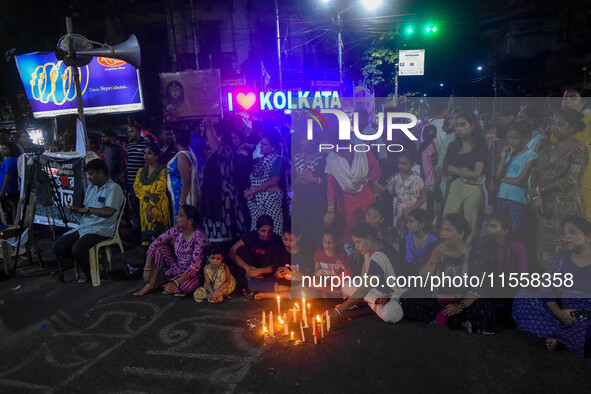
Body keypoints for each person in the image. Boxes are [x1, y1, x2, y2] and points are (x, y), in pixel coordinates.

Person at [401, 214, 496, 334]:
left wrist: (460, 306)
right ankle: (456, 322)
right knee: (408, 298)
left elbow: (476, 288)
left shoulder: (475, 253)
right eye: (442, 229)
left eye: (448, 230)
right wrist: (434, 257)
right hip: (436, 299)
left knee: (484, 310)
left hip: (463, 301)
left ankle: (445, 319)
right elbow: (422, 279)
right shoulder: (433, 247)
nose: (442, 234)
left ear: (461, 234)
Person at [512, 216, 591, 356]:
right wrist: (559, 312)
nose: (567, 237)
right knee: (523, 297)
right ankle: (565, 338)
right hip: (562, 313)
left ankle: (561, 340)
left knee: (585, 327)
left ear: (588, 236)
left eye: (572, 232)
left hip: (586, 315)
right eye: (565, 233)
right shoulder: (561, 256)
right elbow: (546, 286)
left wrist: (578, 314)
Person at [529, 108, 589, 270]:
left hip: (566, 208)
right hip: (544, 206)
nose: (554, 127)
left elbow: (570, 179)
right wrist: (535, 196)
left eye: (560, 124)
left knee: (565, 247)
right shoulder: (546, 147)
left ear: (572, 128)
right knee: (543, 248)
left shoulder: (580, 150)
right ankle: (547, 287)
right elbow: (536, 172)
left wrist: (540, 191)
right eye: (554, 123)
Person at [53, 159, 124, 282]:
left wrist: (87, 210)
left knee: (77, 249)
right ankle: (94, 262)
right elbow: (86, 208)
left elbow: (109, 212)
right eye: (87, 174)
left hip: (101, 228)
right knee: (57, 247)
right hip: (85, 227)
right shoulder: (92, 188)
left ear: (101, 173)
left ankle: (90, 271)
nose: (89, 177)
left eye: (91, 174)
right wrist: (78, 210)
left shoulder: (113, 188)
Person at [329, 223, 406, 324]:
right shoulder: (368, 251)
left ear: (369, 238)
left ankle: (372, 303)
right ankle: (375, 301)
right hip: (376, 291)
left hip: (393, 295)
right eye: (355, 243)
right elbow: (362, 281)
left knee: (391, 314)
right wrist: (354, 297)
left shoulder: (379, 257)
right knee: (346, 285)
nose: (356, 247)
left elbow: (364, 289)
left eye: (358, 242)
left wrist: (339, 311)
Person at [134, 205, 209, 296]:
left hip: (193, 274)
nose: (176, 217)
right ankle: (151, 284)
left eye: (180, 216)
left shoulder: (199, 238)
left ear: (190, 221)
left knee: (184, 287)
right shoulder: (176, 230)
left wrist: (175, 283)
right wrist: (147, 268)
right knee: (160, 249)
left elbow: (194, 267)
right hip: (177, 267)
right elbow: (154, 244)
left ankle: (173, 283)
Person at [442, 108, 488, 243]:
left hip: (473, 189)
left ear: (473, 126)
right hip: (455, 187)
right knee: (449, 222)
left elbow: (476, 173)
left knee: (470, 227)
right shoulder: (452, 145)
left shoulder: (480, 146)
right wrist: (463, 171)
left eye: (463, 125)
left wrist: (457, 170)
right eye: (456, 125)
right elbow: (445, 170)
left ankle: (468, 258)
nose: (458, 129)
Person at [323, 147, 380, 245]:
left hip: (366, 197)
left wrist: (365, 180)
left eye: (344, 150)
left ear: (349, 143)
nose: (342, 154)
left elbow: (377, 171)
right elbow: (330, 187)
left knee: (371, 229)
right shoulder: (332, 159)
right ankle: (356, 258)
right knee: (353, 233)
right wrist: (330, 211)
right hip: (348, 200)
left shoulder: (363, 150)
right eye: (338, 152)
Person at [201, 121, 245, 242]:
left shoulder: (226, 150)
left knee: (225, 237)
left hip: (224, 198)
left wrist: (208, 126)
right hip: (213, 197)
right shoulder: (212, 154)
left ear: (220, 136)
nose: (208, 138)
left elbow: (217, 148)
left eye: (211, 135)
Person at [494, 121, 538, 236]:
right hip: (502, 196)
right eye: (509, 138)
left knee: (515, 231)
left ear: (526, 138)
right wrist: (504, 157)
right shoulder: (508, 153)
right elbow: (496, 176)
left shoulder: (530, 155)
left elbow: (519, 180)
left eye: (515, 138)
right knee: (500, 230)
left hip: (517, 199)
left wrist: (502, 179)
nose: (512, 141)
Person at [253, 223, 316, 300]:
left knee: (312, 292)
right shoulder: (278, 250)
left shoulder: (305, 253)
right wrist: (277, 275)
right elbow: (274, 274)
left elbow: (309, 279)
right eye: (285, 239)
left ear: (298, 238)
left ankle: (268, 295)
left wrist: (295, 274)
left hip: (301, 284)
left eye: (291, 240)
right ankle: (290, 291)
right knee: (253, 284)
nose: (287, 243)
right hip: (282, 285)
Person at [244, 129, 285, 236]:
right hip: (256, 202)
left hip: (270, 201)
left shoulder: (277, 159)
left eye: (265, 144)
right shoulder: (258, 160)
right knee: (256, 232)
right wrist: (248, 191)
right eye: (261, 143)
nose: (261, 146)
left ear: (273, 147)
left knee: (272, 231)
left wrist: (253, 191)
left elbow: (274, 181)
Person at [377, 150, 426, 237]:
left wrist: (409, 211)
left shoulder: (416, 178)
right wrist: (371, 181)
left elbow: (424, 197)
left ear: (413, 164)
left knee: (410, 231)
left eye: (404, 163)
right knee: (399, 232)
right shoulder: (396, 177)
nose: (401, 166)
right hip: (398, 209)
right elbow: (384, 189)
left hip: (411, 210)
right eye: (399, 163)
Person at [228, 215, 283, 293]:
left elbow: (278, 263)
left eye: (270, 231)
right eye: (263, 231)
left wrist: (259, 271)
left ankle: (255, 285)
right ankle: (251, 282)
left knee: (273, 250)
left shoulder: (277, 240)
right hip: (251, 268)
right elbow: (232, 251)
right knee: (240, 249)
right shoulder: (251, 236)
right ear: (257, 230)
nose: (267, 234)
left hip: (266, 271)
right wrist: (249, 269)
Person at [560, 88, 591, 222]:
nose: (566, 102)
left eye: (572, 99)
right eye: (564, 98)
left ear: (583, 103)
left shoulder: (587, 122)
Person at [133, 143, 171, 247]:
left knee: (160, 237)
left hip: (158, 207)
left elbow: (159, 191)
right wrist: (148, 195)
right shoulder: (140, 172)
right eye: (144, 153)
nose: (145, 156)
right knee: (147, 238)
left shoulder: (162, 171)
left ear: (157, 156)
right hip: (143, 208)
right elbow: (136, 188)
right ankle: (148, 261)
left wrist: (150, 206)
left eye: (149, 153)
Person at [167, 127, 200, 219]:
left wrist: (181, 203)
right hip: (181, 197)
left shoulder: (182, 156)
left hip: (183, 199)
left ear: (175, 138)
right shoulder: (188, 152)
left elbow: (186, 181)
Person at [313, 230, 352, 297]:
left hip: (338, 282)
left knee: (347, 275)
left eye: (330, 242)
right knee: (313, 282)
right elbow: (315, 272)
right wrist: (317, 273)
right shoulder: (319, 253)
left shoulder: (342, 254)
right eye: (325, 242)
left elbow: (349, 274)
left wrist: (342, 266)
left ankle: (333, 292)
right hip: (326, 282)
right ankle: (333, 291)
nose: (327, 245)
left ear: (336, 242)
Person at [125, 124, 148, 227]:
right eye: (128, 132)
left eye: (131, 131)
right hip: (130, 182)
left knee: (142, 205)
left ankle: (145, 228)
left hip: (141, 182)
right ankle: (138, 228)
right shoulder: (129, 146)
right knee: (133, 206)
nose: (129, 134)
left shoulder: (146, 145)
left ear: (138, 132)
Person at [0, 142, 22, 224]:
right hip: (11, 187)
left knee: (13, 206)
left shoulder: (10, 160)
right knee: (14, 206)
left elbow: (8, 175)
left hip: (9, 188)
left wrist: (2, 190)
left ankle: (14, 224)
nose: (3, 151)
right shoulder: (14, 159)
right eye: (2, 149)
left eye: (5, 149)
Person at [420, 124, 438, 219]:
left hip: (425, 177)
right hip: (431, 178)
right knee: (431, 204)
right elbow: (434, 162)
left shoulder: (423, 146)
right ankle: (429, 221)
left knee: (429, 204)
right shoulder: (431, 146)